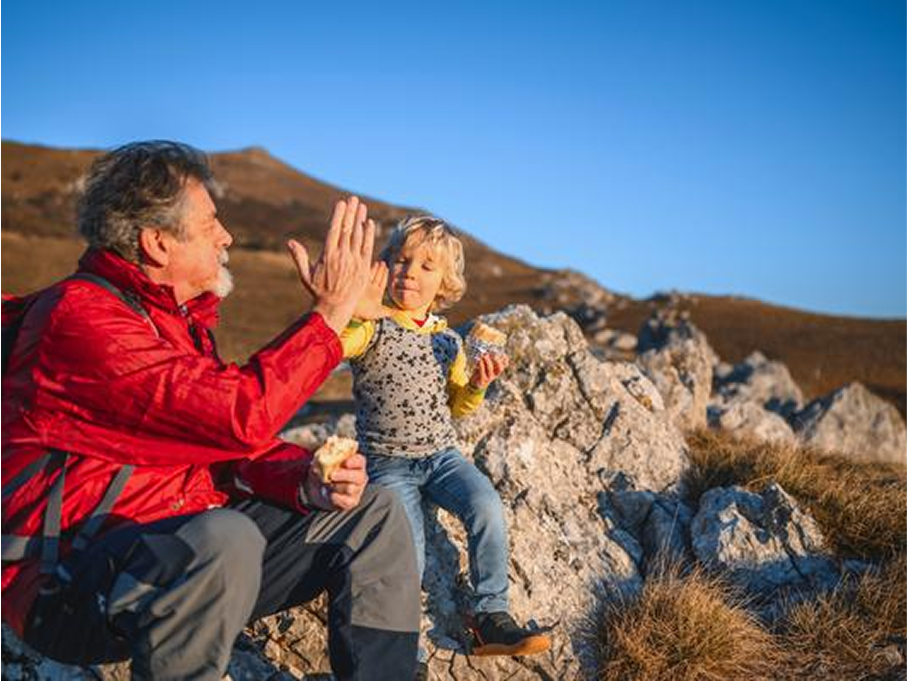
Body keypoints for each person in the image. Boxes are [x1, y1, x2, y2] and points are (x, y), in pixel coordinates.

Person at [0, 141, 420, 680]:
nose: (227, 237)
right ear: (157, 242)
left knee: (373, 512)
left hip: (185, 554)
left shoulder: (175, 324)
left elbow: (223, 448)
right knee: (226, 537)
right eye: (210, 223)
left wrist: (305, 479)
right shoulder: (82, 320)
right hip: (67, 583)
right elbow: (240, 415)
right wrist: (331, 314)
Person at [339, 216, 551, 679]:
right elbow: (335, 345)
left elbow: (457, 406)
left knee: (486, 506)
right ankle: (404, 657)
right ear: (385, 266)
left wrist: (476, 384)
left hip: (442, 457)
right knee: (406, 556)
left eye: (426, 266)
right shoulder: (372, 327)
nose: (409, 272)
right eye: (401, 260)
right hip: (387, 464)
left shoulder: (447, 341)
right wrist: (355, 309)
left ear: (445, 283)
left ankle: (490, 616)